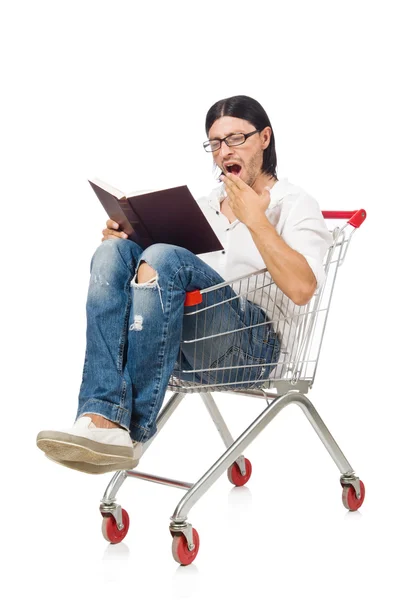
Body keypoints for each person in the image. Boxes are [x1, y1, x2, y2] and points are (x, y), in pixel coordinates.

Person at [36, 95, 332, 474]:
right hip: (183, 340)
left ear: (264, 138)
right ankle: (98, 416)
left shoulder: (295, 204)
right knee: (113, 254)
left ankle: (132, 430)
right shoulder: (206, 204)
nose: (225, 151)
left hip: (256, 350)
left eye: (236, 138)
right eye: (216, 143)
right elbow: (159, 277)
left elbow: (304, 289)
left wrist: (256, 220)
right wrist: (126, 243)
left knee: (165, 256)